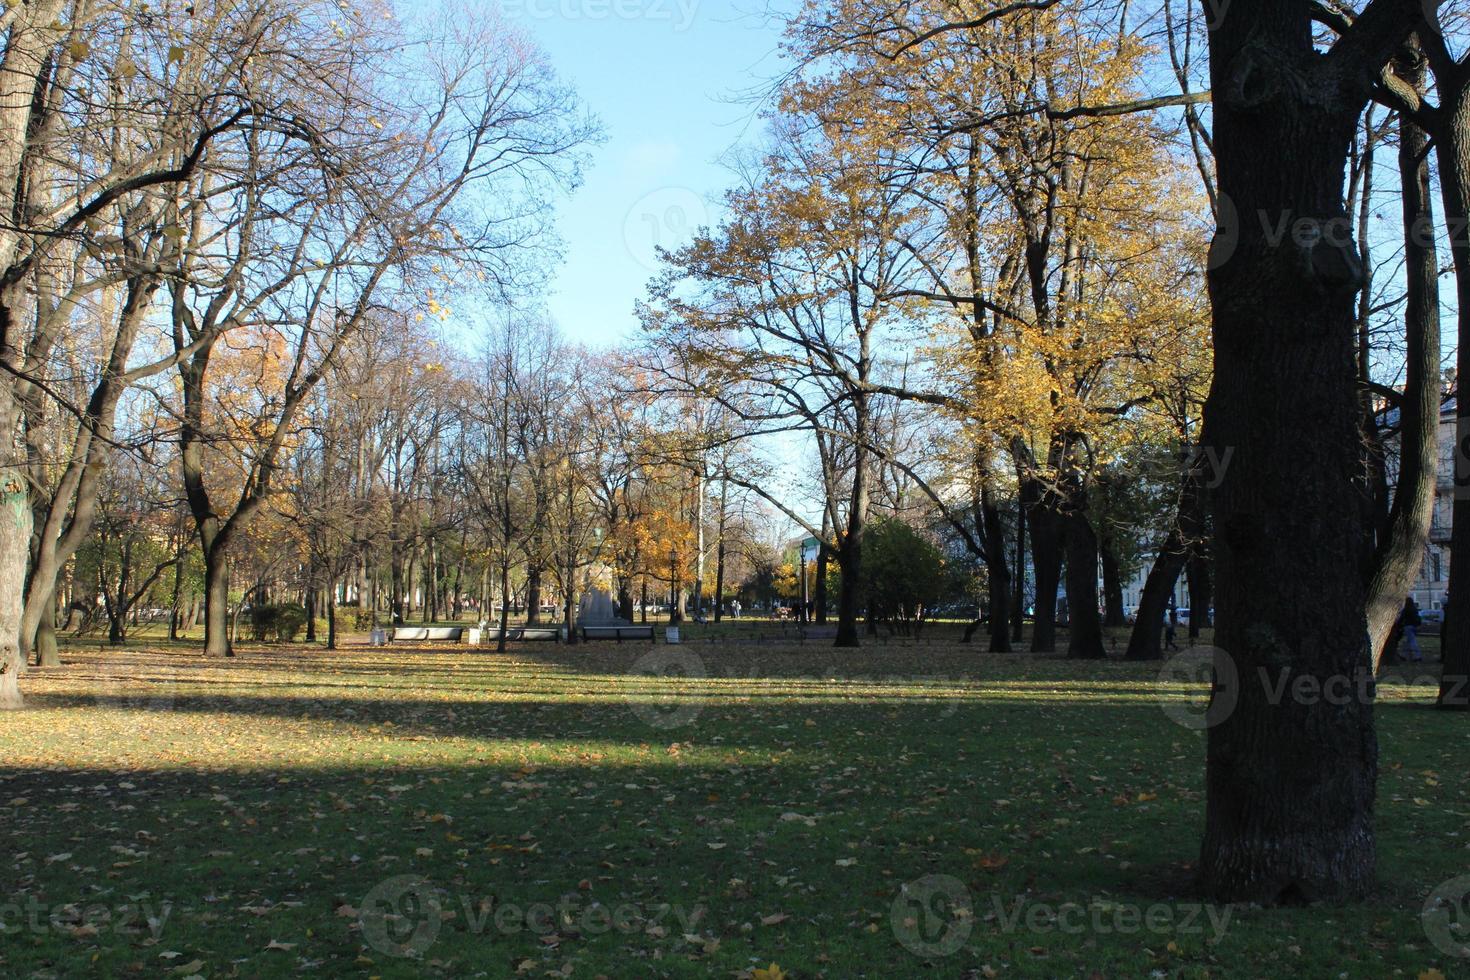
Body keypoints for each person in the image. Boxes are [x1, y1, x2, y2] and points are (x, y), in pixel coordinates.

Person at [1400, 597, 1424, 663]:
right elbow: (1418, 617)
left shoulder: (1405, 610)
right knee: (1408, 641)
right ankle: (1404, 655)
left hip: (1408, 626)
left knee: (1412, 641)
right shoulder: (1415, 609)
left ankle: (1417, 656)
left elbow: (1401, 618)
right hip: (1415, 626)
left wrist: (1399, 625)